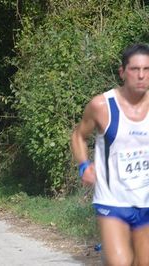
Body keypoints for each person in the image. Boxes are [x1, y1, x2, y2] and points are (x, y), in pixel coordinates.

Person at [71, 43, 149, 266]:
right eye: (135, 69)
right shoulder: (102, 105)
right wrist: (84, 166)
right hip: (112, 201)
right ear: (122, 72)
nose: (141, 76)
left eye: (147, 69)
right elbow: (78, 136)